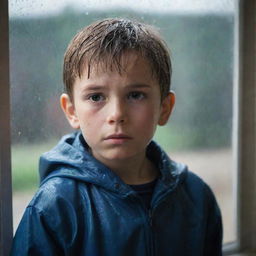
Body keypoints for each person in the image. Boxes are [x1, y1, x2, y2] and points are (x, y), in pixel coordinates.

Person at [11, 18, 222, 256]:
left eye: (135, 95)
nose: (117, 114)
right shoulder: (55, 206)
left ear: (165, 108)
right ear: (71, 111)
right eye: (96, 97)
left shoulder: (196, 196)